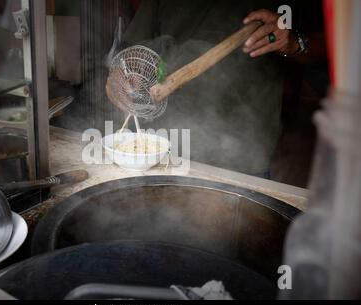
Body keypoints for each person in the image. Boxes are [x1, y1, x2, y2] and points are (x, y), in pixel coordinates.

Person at [121, 0, 326, 177]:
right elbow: (134, 50)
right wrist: (122, 77)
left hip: (243, 155)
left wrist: (294, 42)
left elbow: (327, 44)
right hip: (163, 150)